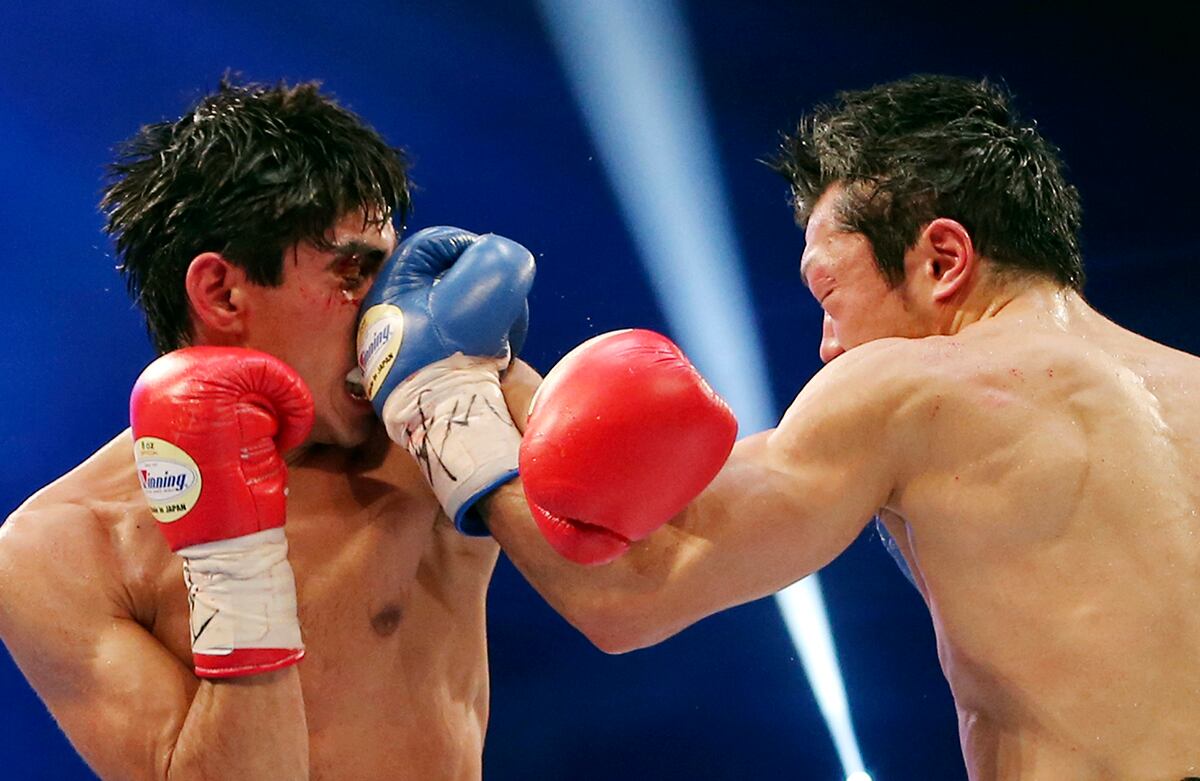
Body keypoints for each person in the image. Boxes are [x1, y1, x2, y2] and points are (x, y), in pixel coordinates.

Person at [477, 75, 1200, 779]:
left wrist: (450, 391)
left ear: (942, 260)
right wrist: (509, 376)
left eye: (829, 290)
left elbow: (626, 589)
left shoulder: (908, 383)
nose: (827, 344)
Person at [0, 78, 718, 780]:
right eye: (353, 274)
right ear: (222, 291)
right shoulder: (59, 550)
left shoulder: (438, 405)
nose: (386, 314)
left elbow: (632, 595)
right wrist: (233, 565)